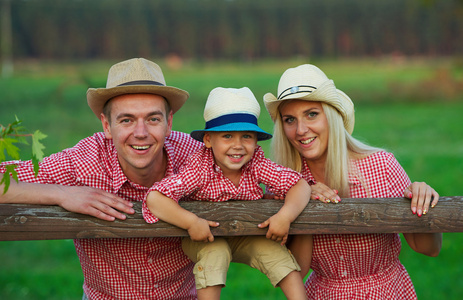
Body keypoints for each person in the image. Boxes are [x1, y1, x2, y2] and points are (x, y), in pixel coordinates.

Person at [0, 58, 204, 299]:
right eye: (126, 120)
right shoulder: (85, 161)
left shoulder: (194, 156)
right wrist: (62, 193)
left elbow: (251, 177)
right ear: (107, 126)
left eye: (153, 119)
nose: (141, 133)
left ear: (168, 123)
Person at [262, 64, 442, 299]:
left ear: (332, 117)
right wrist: (304, 199)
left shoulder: (381, 166)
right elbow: (297, 269)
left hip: (386, 292)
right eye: (289, 120)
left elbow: (429, 248)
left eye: (312, 114)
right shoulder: (284, 182)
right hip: (323, 293)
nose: (301, 130)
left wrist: (423, 199)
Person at [143, 87, 311, 300]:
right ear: (208, 140)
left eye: (247, 136)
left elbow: (300, 185)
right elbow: (155, 197)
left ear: (256, 140)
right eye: (227, 136)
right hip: (204, 237)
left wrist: (285, 216)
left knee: (275, 253)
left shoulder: (256, 162)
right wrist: (191, 222)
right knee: (216, 252)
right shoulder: (199, 168)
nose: (238, 146)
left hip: (244, 233)